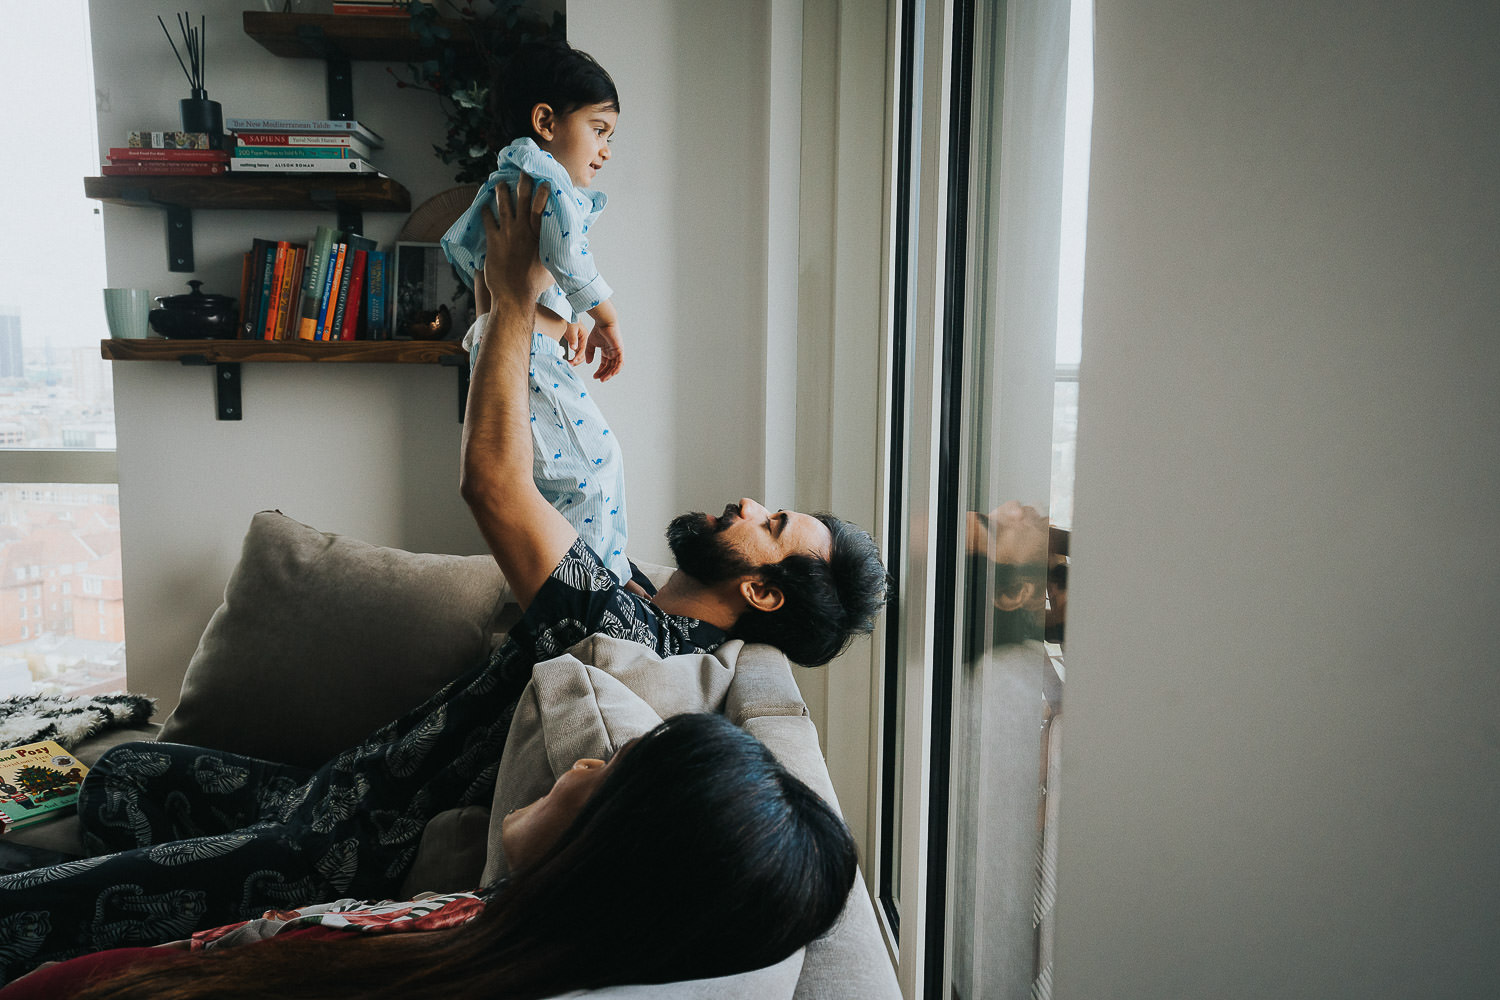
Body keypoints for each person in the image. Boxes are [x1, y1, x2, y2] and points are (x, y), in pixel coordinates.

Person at [0, 174, 887, 985]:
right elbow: (564, 467)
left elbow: (494, 481)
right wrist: (539, 327)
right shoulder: (634, 597)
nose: (747, 502)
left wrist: (512, 297)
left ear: (763, 593)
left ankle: (136, 939)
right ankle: (136, 932)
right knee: (123, 780)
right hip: (329, 796)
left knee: (26, 912)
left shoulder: (622, 630)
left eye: (770, 526)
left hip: (332, 853)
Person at [1, 714, 857, 1000]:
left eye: (616, 771)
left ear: (619, 858)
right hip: (116, 967)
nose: (588, 760)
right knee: (118, 773)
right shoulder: (487, 928)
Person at [442, 38, 635, 586]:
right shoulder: (543, 183)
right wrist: (604, 317)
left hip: (513, 344)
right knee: (591, 473)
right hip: (521, 353)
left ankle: (600, 576)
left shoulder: (513, 182)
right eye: (599, 129)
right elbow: (568, 259)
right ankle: (598, 587)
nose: (606, 149)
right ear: (546, 121)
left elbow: (505, 289)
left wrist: (563, 321)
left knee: (573, 475)